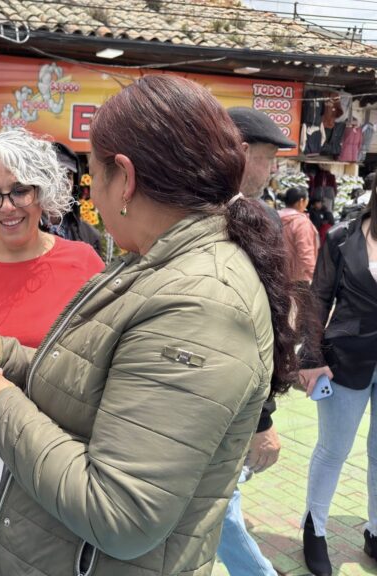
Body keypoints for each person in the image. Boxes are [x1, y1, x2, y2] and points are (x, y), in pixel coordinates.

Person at [0, 75, 304, 575]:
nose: (7, 206)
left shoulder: (196, 300)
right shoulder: (151, 263)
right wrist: (5, 356)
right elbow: (92, 376)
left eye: (92, 176)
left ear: (124, 176)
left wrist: (1, 400)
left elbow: (122, 513)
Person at [0, 129, 105, 571]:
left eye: (20, 191)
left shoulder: (84, 262)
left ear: (43, 192)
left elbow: (97, 367)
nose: (7, 207)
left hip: (56, 453)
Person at [214, 106, 299, 576]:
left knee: (220, 507)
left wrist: (263, 413)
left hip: (234, 396)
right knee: (218, 508)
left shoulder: (262, 217)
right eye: (268, 159)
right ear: (243, 154)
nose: (270, 171)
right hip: (204, 391)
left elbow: (269, 320)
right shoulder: (200, 210)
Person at [298, 181, 377, 575]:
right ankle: (315, 529)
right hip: (346, 358)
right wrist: (310, 356)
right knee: (333, 450)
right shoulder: (344, 237)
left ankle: (376, 531)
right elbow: (317, 298)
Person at [280, 186, 319, 285]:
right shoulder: (301, 222)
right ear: (301, 201)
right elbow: (306, 252)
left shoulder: (276, 216)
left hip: (279, 274)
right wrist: (314, 276)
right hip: (298, 278)